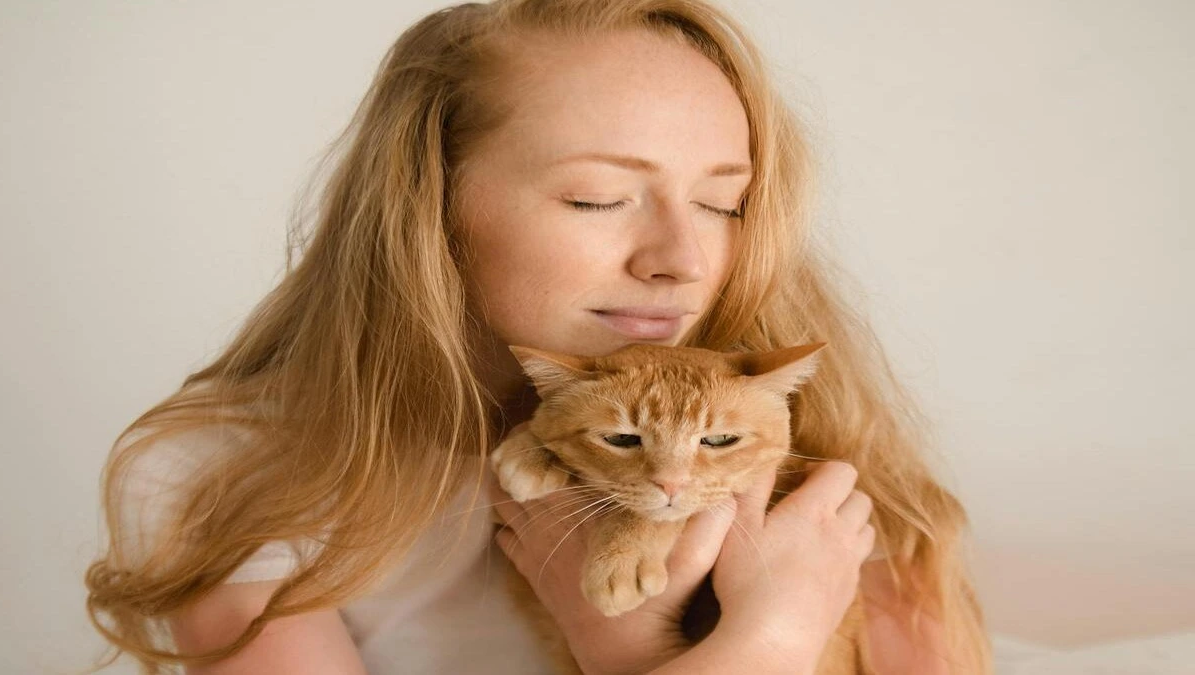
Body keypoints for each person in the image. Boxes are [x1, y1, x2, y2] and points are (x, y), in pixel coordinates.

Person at [84, 1, 992, 673]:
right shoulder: (227, 471)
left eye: (725, 203)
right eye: (598, 197)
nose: (681, 257)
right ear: (428, 205)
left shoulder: (805, 421)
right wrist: (755, 640)